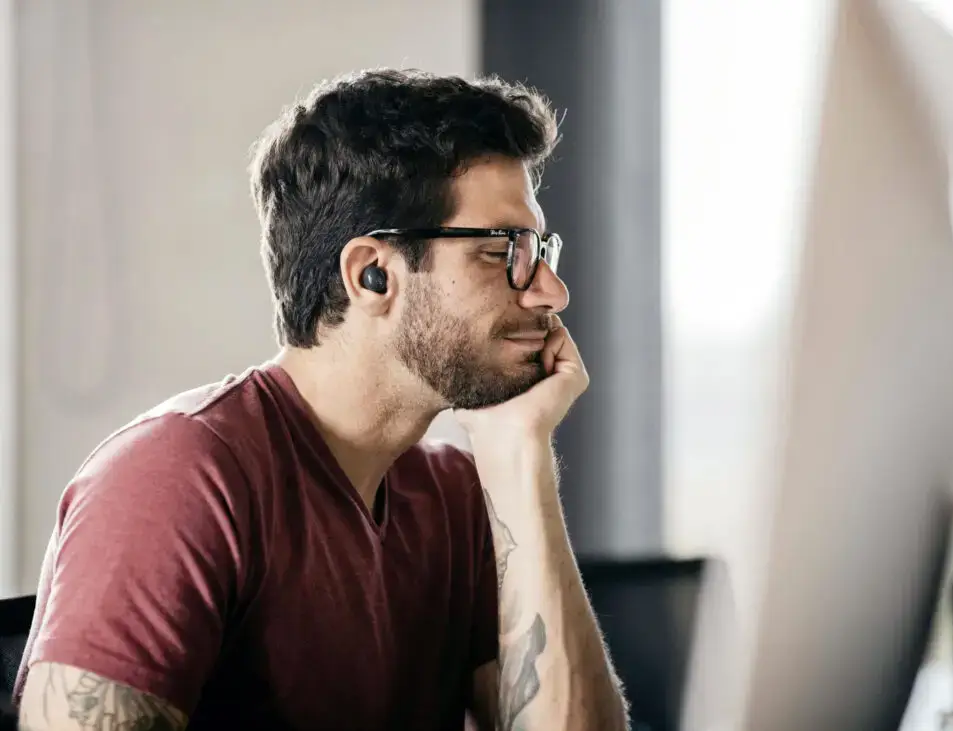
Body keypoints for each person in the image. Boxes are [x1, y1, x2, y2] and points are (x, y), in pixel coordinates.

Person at [13, 69, 629, 730]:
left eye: (540, 248)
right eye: (504, 250)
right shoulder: (174, 478)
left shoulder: (456, 495)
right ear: (372, 273)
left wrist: (521, 455)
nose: (550, 292)